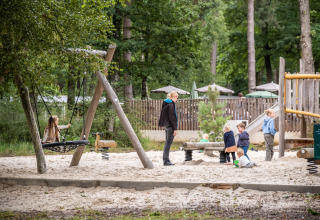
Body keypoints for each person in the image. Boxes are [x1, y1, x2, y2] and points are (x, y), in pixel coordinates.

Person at [158, 91, 179, 166]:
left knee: (167, 143)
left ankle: (165, 160)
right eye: (176, 97)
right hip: (170, 126)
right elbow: (172, 118)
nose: (177, 99)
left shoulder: (166, 104)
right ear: (173, 97)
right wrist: (175, 129)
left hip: (166, 126)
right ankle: (166, 161)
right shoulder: (171, 105)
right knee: (168, 144)